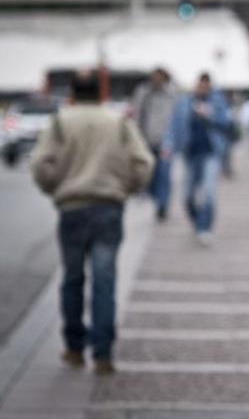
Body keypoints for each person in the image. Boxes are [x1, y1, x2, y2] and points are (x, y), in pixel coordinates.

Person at [30, 72, 154, 375]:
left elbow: (40, 163)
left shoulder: (60, 122)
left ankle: (74, 347)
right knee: (105, 280)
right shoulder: (118, 122)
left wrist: (54, 188)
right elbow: (144, 163)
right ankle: (102, 352)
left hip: (72, 207)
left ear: (72, 94)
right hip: (109, 207)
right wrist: (127, 188)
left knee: (72, 278)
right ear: (100, 94)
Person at [164, 73, 231, 246]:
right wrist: (169, 144)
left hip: (211, 152)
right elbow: (174, 125)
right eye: (200, 85)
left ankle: (205, 227)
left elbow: (227, 123)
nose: (202, 89)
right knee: (187, 196)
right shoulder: (185, 102)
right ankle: (197, 221)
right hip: (190, 153)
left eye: (206, 86)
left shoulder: (217, 101)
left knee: (209, 192)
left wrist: (210, 115)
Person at [131, 67, 178, 221]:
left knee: (164, 174)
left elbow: (176, 118)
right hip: (146, 139)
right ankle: (154, 198)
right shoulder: (143, 92)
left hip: (166, 141)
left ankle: (162, 205)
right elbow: (136, 114)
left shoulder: (172, 94)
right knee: (149, 174)